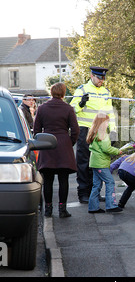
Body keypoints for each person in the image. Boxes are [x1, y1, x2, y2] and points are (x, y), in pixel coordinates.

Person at [70, 66, 117, 203]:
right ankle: (83, 193)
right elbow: (72, 110)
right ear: (91, 76)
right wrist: (80, 103)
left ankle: (94, 193)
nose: (101, 81)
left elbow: (110, 113)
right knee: (84, 162)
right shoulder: (82, 90)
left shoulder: (106, 92)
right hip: (84, 130)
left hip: (100, 131)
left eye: (103, 78)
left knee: (97, 162)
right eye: (99, 78)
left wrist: (113, 130)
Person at [34, 82, 80, 218]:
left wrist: (41, 143)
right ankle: (62, 209)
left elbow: (36, 130)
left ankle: (48, 209)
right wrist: (69, 142)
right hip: (63, 146)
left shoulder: (42, 108)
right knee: (63, 179)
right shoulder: (68, 109)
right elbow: (75, 130)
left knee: (47, 180)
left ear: (51, 92)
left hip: (47, 146)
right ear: (64, 93)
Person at [86, 112, 123, 213]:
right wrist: (118, 151)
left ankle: (93, 207)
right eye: (107, 122)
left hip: (95, 163)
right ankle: (111, 205)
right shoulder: (103, 134)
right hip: (101, 164)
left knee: (96, 185)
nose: (107, 124)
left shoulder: (94, 132)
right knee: (110, 182)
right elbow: (106, 148)